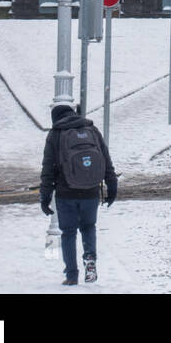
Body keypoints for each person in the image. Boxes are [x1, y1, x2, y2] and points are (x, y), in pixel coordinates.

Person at [40, 104, 118, 286]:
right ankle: (90, 259)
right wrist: (112, 183)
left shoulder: (55, 134)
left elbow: (48, 169)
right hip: (91, 190)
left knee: (68, 232)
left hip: (65, 193)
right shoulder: (92, 129)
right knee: (89, 227)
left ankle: (71, 274)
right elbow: (105, 158)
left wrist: (45, 197)